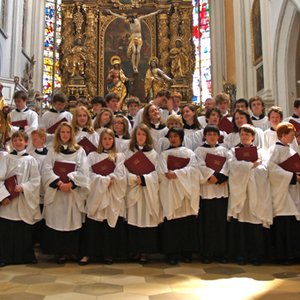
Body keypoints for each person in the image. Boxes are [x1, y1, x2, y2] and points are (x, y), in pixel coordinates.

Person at [42, 122, 89, 264]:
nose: (65, 135)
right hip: (57, 192)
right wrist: (59, 183)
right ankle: (60, 252)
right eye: (62, 132)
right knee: (58, 221)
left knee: (72, 221)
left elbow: (83, 171)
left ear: (71, 134)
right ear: (58, 134)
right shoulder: (52, 150)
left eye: (68, 132)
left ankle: (72, 251)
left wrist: (71, 183)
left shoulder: (79, 150)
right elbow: (46, 169)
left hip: (72, 193)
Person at [80, 129, 127, 265]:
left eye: (110, 139)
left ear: (113, 141)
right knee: (93, 226)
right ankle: (89, 253)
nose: (107, 141)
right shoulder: (92, 156)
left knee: (109, 225)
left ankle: (108, 253)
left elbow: (120, 173)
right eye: (104, 139)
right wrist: (102, 180)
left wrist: (111, 178)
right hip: (96, 195)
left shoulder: (119, 156)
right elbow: (87, 173)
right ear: (100, 141)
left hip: (112, 194)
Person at [227, 124, 272, 265]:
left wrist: (248, 167)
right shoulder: (233, 151)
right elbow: (232, 166)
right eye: (242, 134)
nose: (244, 137)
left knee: (255, 224)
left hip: (256, 192)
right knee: (241, 225)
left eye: (247, 134)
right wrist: (251, 166)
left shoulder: (261, 152)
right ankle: (241, 254)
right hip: (241, 193)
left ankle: (256, 255)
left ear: (253, 137)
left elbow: (265, 169)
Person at [158, 128, 199, 265]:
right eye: (170, 136)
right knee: (172, 225)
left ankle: (186, 252)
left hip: (186, 193)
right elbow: (162, 172)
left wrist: (177, 174)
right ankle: (172, 253)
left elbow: (194, 170)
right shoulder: (164, 154)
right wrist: (172, 175)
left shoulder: (189, 153)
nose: (173, 139)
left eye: (176, 136)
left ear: (181, 137)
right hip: (171, 192)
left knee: (186, 223)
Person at [0, 131, 41, 267]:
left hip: (23, 199)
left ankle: (25, 256)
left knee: (23, 230)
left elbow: (35, 180)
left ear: (26, 142)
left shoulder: (31, 160)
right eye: (15, 140)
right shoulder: (6, 159)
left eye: (20, 140)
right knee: (6, 230)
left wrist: (24, 187)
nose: (18, 142)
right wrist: (3, 196)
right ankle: (4, 257)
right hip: (8, 202)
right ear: (12, 142)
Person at [125, 124, 161, 264]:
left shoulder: (153, 154)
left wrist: (144, 179)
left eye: (143, 135)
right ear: (135, 136)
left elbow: (157, 173)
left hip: (147, 191)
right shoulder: (129, 152)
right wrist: (134, 178)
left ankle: (145, 251)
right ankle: (135, 251)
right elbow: (123, 170)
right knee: (134, 218)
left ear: (147, 137)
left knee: (146, 218)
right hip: (134, 189)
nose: (140, 137)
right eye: (138, 134)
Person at [195, 125, 229, 263]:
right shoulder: (199, 150)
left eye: (214, 134)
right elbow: (199, 166)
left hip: (221, 191)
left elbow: (228, 165)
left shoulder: (224, 150)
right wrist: (211, 176)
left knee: (220, 224)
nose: (212, 137)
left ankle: (220, 252)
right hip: (207, 192)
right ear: (205, 136)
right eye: (209, 134)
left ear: (218, 136)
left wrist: (220, 177)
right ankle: (207, 253)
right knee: (207, 224)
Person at [268, 122, 300, 264]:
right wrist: (292, 176)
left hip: (291, 191)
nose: (294, 137)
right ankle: (282, 255)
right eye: (291, 134)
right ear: (283, 135)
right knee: (283, 224)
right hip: (281, 193)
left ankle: (293, 254)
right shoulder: (275, 149)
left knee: (292, 224)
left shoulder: (291, 150)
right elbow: (272, 169)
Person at [107, 9, 161, 73]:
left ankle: (136, 66)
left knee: (138, 51)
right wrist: (111, 12)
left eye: (129, 19)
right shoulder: (129, 21)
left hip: (139, 38)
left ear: (132, 18)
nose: (128, 20)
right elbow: (119, 16)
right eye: (128, 19)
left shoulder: (138, 19)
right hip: (133, 38)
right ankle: (134, 67)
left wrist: (156, 12)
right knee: (134, 51)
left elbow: (148, 15)